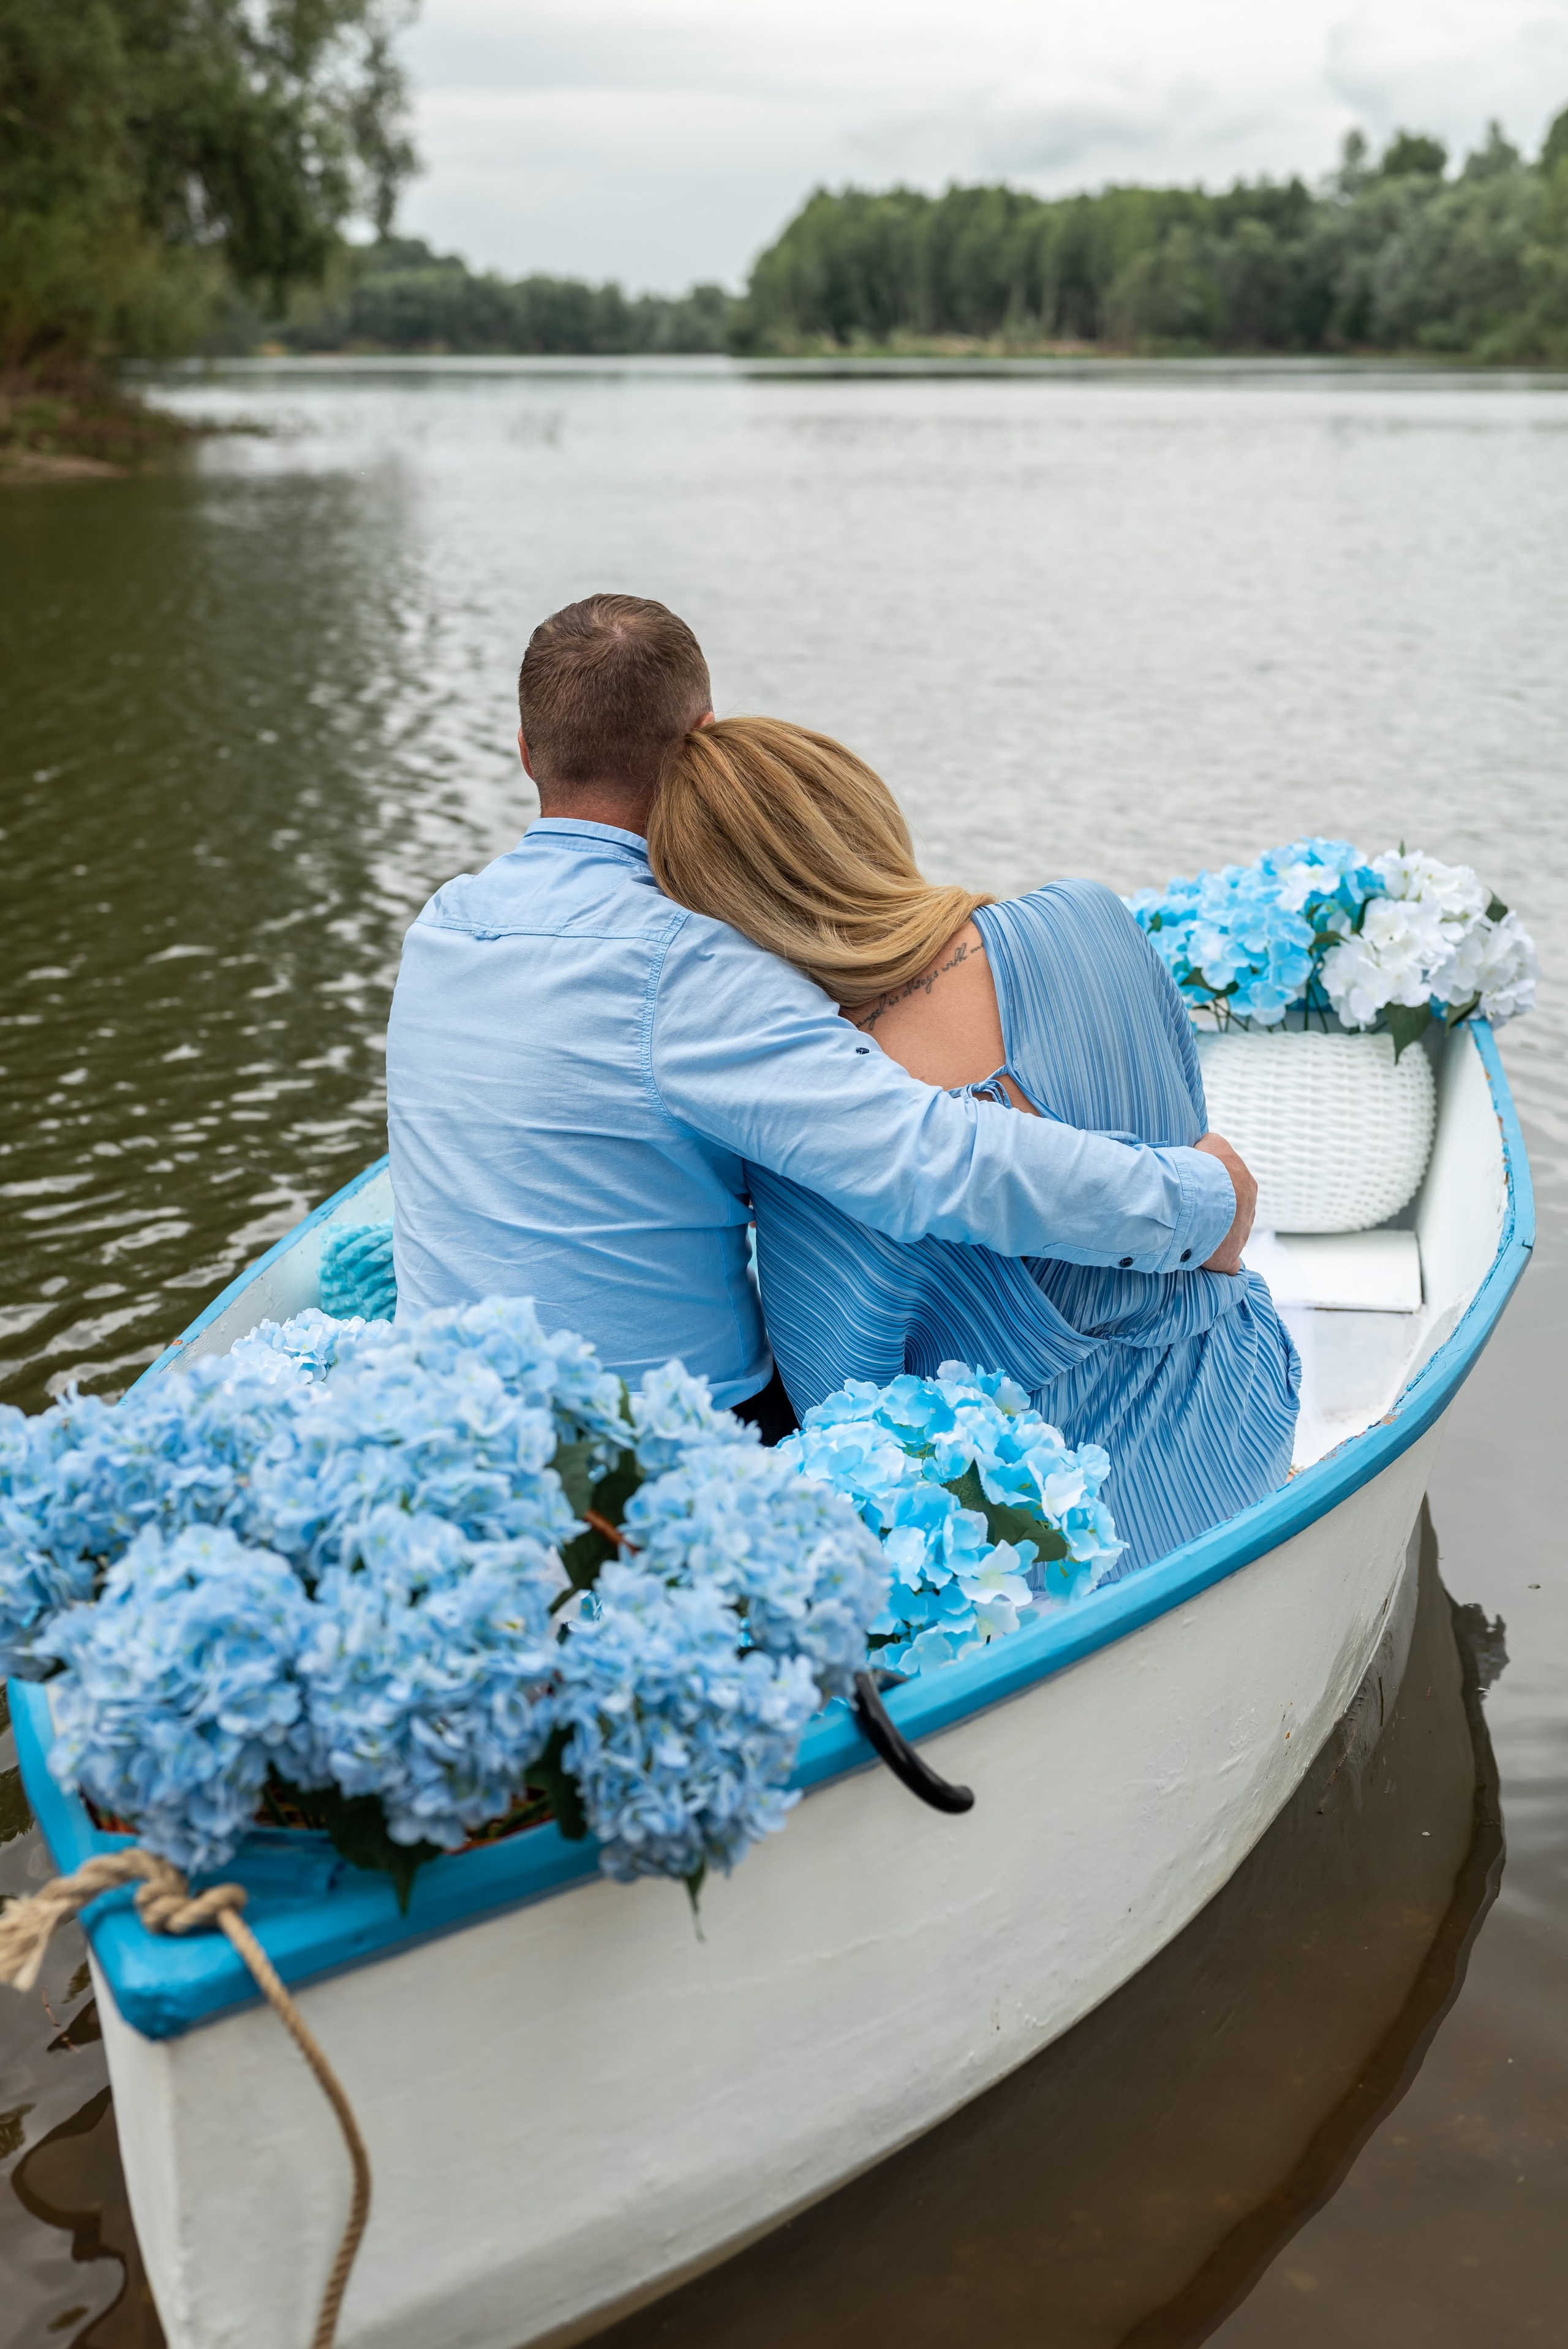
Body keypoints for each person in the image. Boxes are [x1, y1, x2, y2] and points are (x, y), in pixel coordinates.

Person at [386, 595, 1254, 1449]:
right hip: (662, 1452)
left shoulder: (440, 931)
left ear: (526, 753)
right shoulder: (687, 962)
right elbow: (928, 1156)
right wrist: (1200, 1204)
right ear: (706, 737)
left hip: (434, 1417)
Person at [648, 715, 1298, 1568]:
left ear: (722, 917)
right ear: (866, 810)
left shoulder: (816, 1125)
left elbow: (842, 1403)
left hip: (1041, 1548)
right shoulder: (1090, 918)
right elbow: (1200, 1166)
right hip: (1238, 1411)